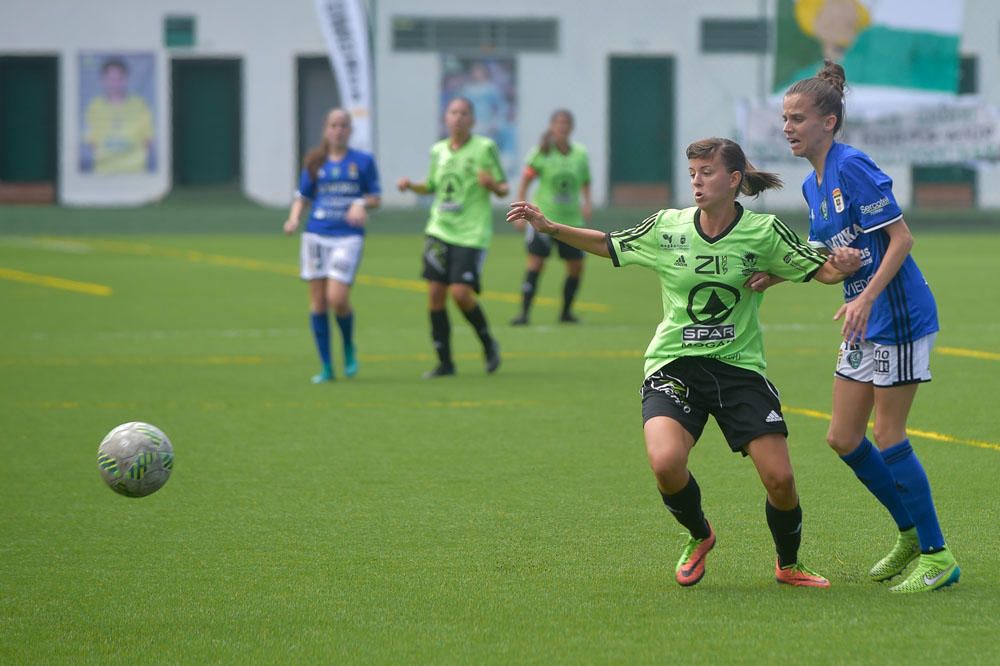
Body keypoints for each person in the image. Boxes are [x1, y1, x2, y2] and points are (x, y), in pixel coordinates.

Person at [508, 137, 861, 588]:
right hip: (674, 365)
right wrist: (550, 226)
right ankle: (699, 535)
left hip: (739, 369)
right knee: (665, 462)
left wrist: (843, 263)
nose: (696, 180)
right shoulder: (667, 227)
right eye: (693, 172)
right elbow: (608, 244)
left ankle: (788, 564)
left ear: (733, 180)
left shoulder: (764, 231)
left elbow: (820, 270)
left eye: (707, 172)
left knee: (781, 479)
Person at [771, 60, 959, 593]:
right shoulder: (813, 187)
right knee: (843, 436)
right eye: (784, 118)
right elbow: (832, 271)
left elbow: (901, 240)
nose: (788, 127)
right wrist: (782, 276)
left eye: (798, 118)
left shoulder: (852, 166)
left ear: (828, 122)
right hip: (862, 320)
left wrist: (867, 296)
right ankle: (908, 533)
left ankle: (937, 553)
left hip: (896, 314)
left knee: (888, 433)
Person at [397, 97, 507, 378]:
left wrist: (492, 184)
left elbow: (504, 188)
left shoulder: (485, 148)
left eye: (464, 113)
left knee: (460, 294)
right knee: (435, 294)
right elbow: (432, 185)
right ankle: (445, 362)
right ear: (446, 118)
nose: (458, 117)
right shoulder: (438, 151)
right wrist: (412, 186)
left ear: (472, 120)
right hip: (439, 230)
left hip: (471, 234)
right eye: (453, 112)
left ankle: (488, 344)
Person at [283, 108, 381, 383]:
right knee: (317, 302)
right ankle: (326, 366)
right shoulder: (315, 162)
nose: (338, 130)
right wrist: (293, 220)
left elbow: (376, 197)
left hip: (348, 237)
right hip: (316, 235)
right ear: (326, 130)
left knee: (337, 298)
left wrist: (361, 204)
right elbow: (302, 197)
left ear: (350, 131)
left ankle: (348, 346)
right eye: (333, 125)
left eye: (343, 125)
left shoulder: (362, 162)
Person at [510, 109, 592, 325]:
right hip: (543, 219)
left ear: (571, 127)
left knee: (576, 267)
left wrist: (587, 202)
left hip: (571, 221)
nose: (562, 127)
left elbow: (585, 180)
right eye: (558, 123)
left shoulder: (580, 154)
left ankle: (566, 312)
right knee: (536, 264)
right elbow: (525, 181)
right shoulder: (542, 152)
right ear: (552, 127)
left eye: (566, 123)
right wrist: (520, 210)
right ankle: (524, 314)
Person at [81, 57, 155, 174]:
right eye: (110, 79)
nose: (115, 83)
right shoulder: (94, 107)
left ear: (126, 79)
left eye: (118, 78)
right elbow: (91, 142)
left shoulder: (140, 105)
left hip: (135, 174)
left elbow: (148, 140)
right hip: (103, 174)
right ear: (103, 80)